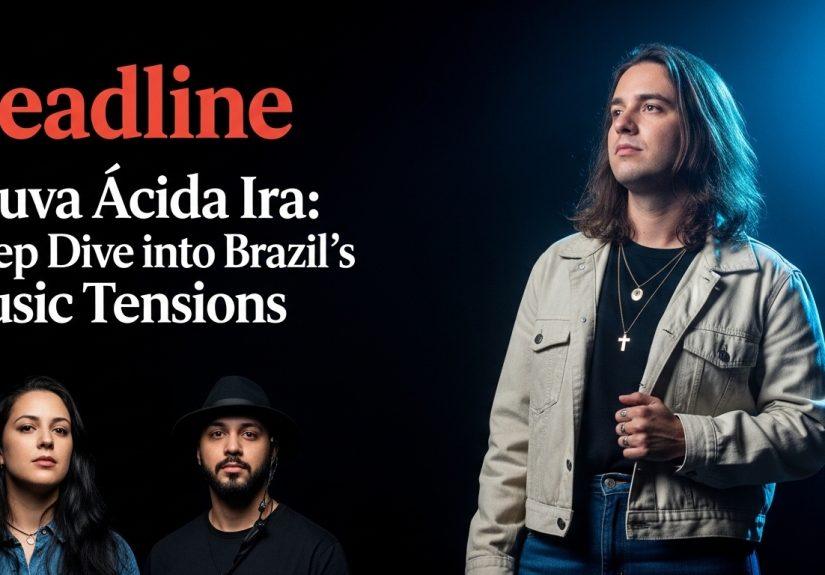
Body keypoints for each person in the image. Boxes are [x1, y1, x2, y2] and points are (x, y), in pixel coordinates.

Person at [466, 43, 825, 575]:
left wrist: (687, 438)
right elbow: (513, 435)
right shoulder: (558, 266)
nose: (624, 123)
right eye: (616, 110)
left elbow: (810, 431)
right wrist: (489, 560)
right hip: (556, 548)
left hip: (692, 551)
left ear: (701, 131)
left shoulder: (768, 281)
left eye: (651, 106)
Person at [147, 375, 349, 575]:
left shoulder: (318, 553)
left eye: (249, 434)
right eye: (217, 434)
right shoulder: (165, 558)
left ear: (273, 451)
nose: (232, 447)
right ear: (199, 452)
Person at [0, 376, 139, 574]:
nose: (47, 440)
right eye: (27, 427)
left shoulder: (112, 552)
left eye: (60, 430)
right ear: (1, 451)